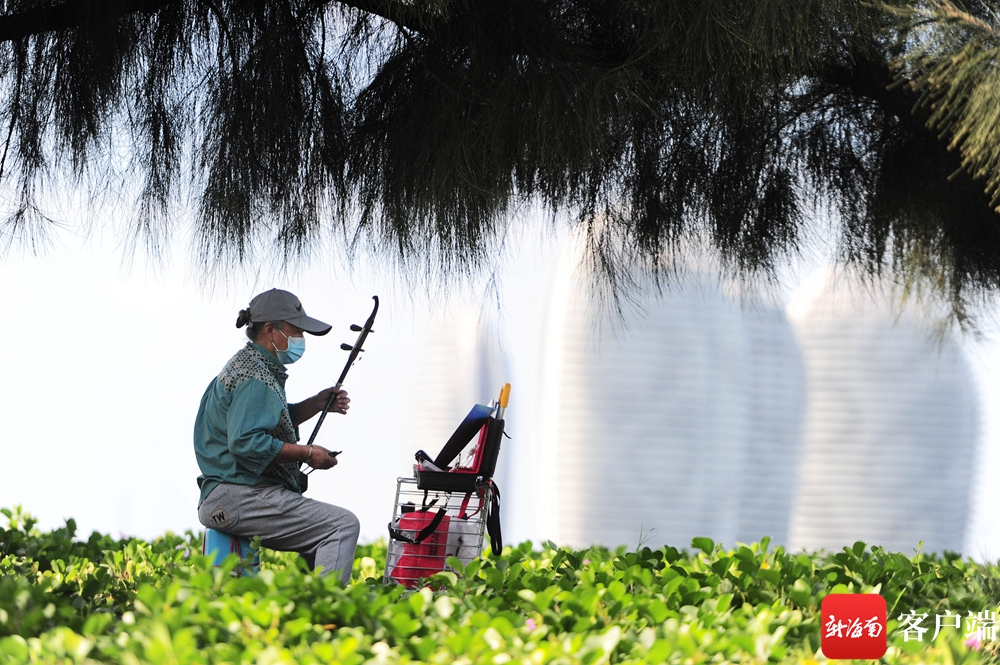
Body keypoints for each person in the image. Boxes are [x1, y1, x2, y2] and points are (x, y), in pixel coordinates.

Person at [193, 288, 360, 583]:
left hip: (226, 495)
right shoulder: (255, 377)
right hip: (237, 494)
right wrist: (308, 453)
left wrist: (317, 404)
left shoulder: (249, 366)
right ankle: (327, 614)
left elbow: (269, 420)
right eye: (296, 331)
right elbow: (246, 441)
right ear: (270, 330)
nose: (301, 340)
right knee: (342, 525)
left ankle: (306, 607)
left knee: (320, 535)